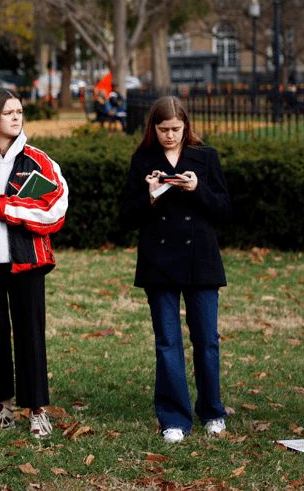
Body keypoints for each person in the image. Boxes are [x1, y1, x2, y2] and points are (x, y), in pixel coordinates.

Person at [118, 96, 229, 444]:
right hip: (159, 261)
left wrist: (196, 189)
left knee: (206, 340)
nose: (170, 135)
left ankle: (212, 411)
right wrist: (151, 196)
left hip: (201, 261)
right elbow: (126, 215)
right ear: (153, 128)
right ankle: (173, 418)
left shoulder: (205, 157)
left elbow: (224, 209)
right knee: (167, 342)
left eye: (176, 129)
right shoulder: (143, 160)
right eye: (163, 129)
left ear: (186, 126)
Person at [0, 88, 68, 438]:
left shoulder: (39, 160)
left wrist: (2, 207)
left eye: (19, 112)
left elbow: (55, 209)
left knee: (31, 334)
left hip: (28, 263)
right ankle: (2, 408)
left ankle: (37, 410)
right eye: (8, 112)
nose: (15, 117)